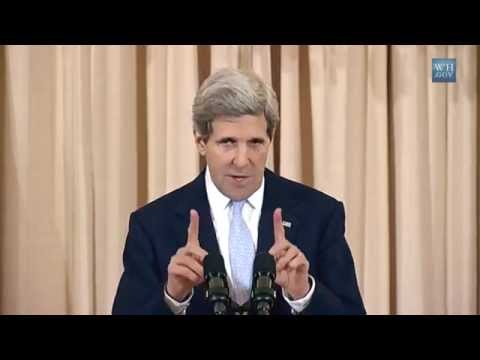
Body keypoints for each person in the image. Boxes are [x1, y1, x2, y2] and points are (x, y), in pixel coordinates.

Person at [112, 68, 366, 315]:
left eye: (255, 143)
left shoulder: (319, 214)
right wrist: (172, 297)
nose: (242, 160)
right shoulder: (152, 224)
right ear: (201, 141)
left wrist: (305, 294)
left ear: (271, 139)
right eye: (228, 143)